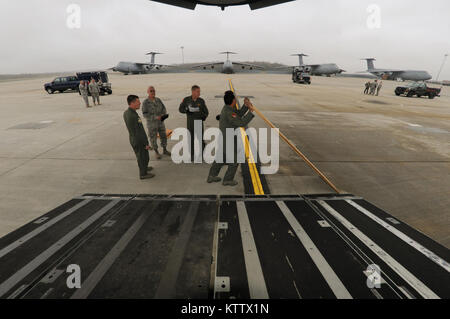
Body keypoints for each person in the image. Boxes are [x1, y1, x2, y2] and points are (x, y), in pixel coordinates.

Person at [207, 91, 255, 186]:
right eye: (235, 99)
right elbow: (241, 122)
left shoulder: (228, 108)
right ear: (233, 101)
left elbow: (239, 114)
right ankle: (227, 180)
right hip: (227, 140)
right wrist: (250, 112)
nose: (236, 101)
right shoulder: (229, 112)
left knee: (221, 158)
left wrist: (245, 106)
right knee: (235, 161)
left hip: (225, 139)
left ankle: (211, 176)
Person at [123, 95, 154, 180]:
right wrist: (145, 144)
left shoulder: (127, 112)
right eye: (137, 101)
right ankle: (143, 174)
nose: (140, 103)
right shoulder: (132, 115)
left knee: (143, 156)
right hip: (138, 140)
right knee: (142, 157)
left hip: (135, 139)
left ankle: (144, 168)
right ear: (132, 103)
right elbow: (138, 133)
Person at [179, 85, 209, 161]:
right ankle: (192, 154)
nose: (199, 93)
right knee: (191, 139)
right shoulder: (186, 100)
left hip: (198, 122)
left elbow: (206, 112)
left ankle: (201, 154)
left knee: (200, 139)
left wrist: (202, 117)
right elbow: (180, 109)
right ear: (193, 92)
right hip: (190, 123)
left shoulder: (201, 101)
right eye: (197, 91)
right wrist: (186, 110)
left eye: (199, 91)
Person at [142, 86, 171, 159]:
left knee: (163, 136)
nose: (153, 92)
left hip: (160, 123)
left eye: (154, 91)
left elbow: (163, 108)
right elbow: (145, 114)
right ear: (148, 92)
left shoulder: (158, 100)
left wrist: (163, 114)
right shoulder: (145, 102)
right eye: (151, 91)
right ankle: (156, 152)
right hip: (152, 124)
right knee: (153, 138)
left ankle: (165, 150)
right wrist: (155, 117)